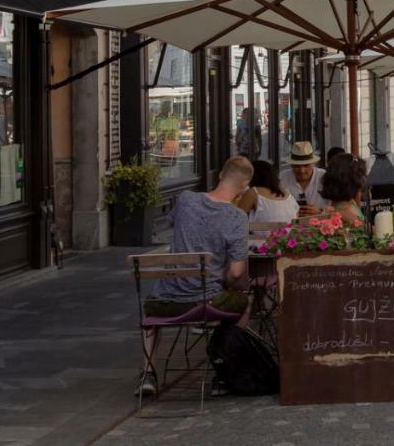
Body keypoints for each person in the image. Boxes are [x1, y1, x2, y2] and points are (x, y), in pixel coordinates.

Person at [138, 155, 253, 398]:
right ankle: (223, 368)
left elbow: (171, 225)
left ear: (220, 174)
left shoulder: (186, 199)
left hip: (164, 302)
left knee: (151, 311)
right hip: (205, 301)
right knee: (244, 303)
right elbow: (236, 272)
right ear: (244, 187)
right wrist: (225, 281)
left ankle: (147, 373)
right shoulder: (236, 218)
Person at [237, 159, 299, 226]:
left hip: (262, 236)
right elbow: (296, 218)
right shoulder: (287, 193)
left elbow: (235, 219)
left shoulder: (253, 193)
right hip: (288, 235)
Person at [279, 142, 329, 215]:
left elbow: (336, 207)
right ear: (291, 165)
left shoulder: (324, 177)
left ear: (313, 164)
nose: (302, 171)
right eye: (297, 166)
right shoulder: (283, 177)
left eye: (306, 166)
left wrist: (320, 211)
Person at [320, 152, 367, 227]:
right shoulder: (343, 210)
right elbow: (366, 229)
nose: (363, 180)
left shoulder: (350, 202)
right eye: (360, 176)